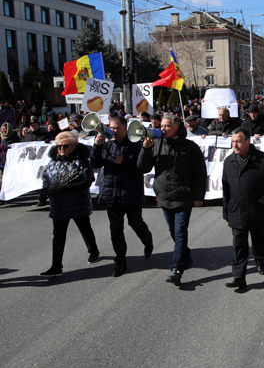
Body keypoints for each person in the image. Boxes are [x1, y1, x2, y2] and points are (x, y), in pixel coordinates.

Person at [137, 114, 207, 285]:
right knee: (173, 231)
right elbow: (142, 167)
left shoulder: (190, 147)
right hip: (164, 196)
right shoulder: (156, 144)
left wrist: (199, 197)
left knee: (180, 233)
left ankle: (177, 268)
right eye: (162, 125)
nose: (163, 129)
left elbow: (200, 173)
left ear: (176, 128)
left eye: (167, 126)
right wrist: (146, 149)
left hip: (183, 196)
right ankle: (185, 254)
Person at [91, 116, 153, 277]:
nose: (113, 130)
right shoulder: (106, 144)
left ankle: (147, 240)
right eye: (111, 127)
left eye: (116, 128)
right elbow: (95, 164)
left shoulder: (136, 144)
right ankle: (120, 261)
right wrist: (97, 147)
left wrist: (126, 162)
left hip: (130, 192)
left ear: (125, 129)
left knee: (135, 223)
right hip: (111, 194)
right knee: (116, 230)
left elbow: (144, 167)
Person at [222, 128, 264, 292]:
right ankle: (239, 277)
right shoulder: (229, 162)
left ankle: (261, 262)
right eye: (233, 141)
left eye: (239, 141)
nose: (235, 145)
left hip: (259, 211)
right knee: (238, 246)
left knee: (260, 243)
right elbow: (225, 190)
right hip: (236, 211)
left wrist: (262, 202)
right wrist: (226, 211)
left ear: (248, 141)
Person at [39, 131, 99, 277]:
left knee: (84, 228)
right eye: (59, 146)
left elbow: (87, 181)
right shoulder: (53, 161)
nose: (62, 149)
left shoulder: (82, 160)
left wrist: (67, 188)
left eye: (65, 146)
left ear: (73, 145)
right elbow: (46, 177)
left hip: (77, 202)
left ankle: (93, 250)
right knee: (58, 235)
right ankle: (56, 266)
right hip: (58, 204)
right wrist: (44, 191)